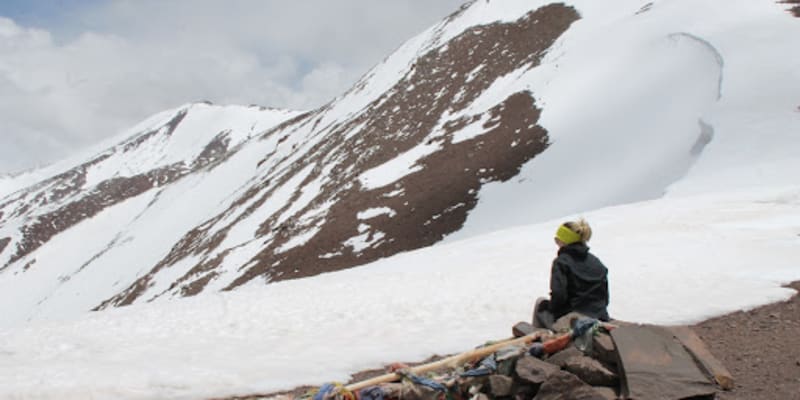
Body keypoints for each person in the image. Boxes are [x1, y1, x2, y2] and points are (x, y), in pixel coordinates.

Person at [533, 218, 610, 329]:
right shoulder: (597, 263)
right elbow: (605, 299)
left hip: (574, 320)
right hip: (600, 316)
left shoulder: (562, 262)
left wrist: (550, 308)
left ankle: (542, 341)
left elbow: (559, 296)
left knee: (540, 303)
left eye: (557, 239)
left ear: (563, 241)